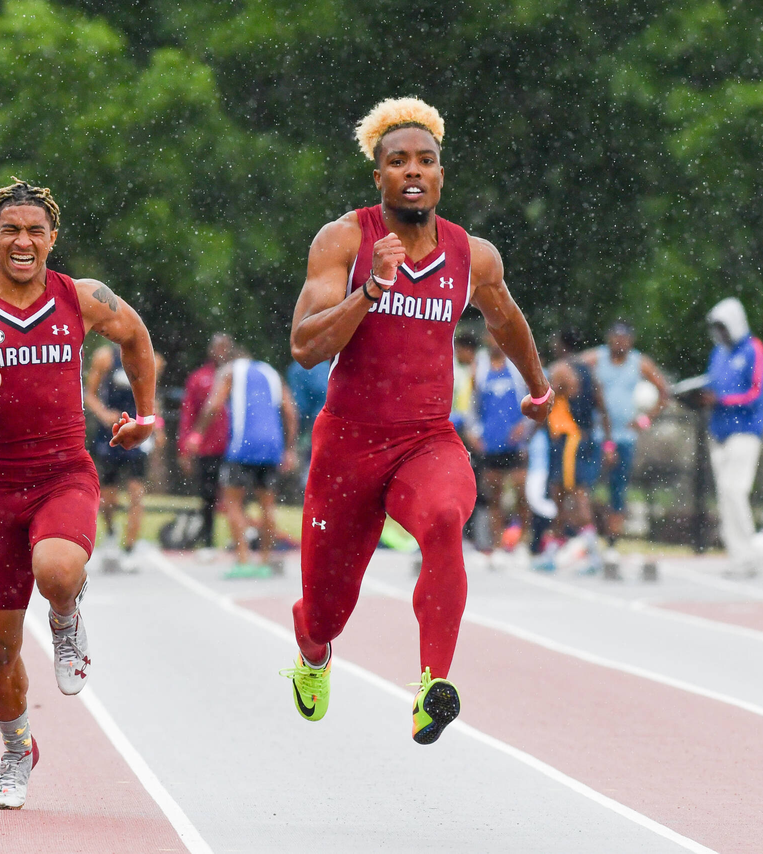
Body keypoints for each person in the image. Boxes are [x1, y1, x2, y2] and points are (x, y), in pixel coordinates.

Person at [286, 98, 552, 744]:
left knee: (442, 520)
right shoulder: (344, 240)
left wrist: (539, 387)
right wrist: (370, 290)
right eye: (397, 161)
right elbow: (305, 345)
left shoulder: (472, 255)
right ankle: (314, 655)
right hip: (347, 447)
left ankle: (434, 685)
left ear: (440, 175)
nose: (413, 171)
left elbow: (506, 318)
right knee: (326, 608)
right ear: (377, 176)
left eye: (425, 161)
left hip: (425, 440)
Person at [0, 178, 156, 810]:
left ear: (52, 238)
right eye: (10, 230)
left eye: (35, 230)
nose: (23, 241)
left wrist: (145, 413)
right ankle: (16, 749)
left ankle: (65, 616)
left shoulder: (81, 297)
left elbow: (135, 337)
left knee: (57, 570)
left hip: (64, 474)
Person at [189, 352, 299, 578]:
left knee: (233, 503)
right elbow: (290, 412)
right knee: (267, 504)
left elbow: (214, 405)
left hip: (243, 445)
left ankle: (243, 560)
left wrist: (198, 433)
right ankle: (265, 561)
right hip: (272, 445)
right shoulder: (271, 373)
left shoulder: (231, 372)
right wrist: (289, 448)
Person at [579, 321, 671, 543]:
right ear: (609, 337)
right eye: (615, 336)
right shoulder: (596, 358)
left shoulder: (639, 362)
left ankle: (612, 541)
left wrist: (646, 419)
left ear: (631, 340)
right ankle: (586, 535)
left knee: (618, 489)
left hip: (625, 437)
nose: (619, 342)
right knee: (585, 486)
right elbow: (569, 368)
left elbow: (663, 391)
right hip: (598, 434)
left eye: (624, 338)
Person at [700, 297, 763, 577]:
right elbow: (710, 385)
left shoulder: (755, 350)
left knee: (735, 490)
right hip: (718, 432)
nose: (720, 333)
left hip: (745, 430)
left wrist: (722, 401)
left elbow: (757, 393)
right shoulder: (718, 353)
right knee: (725, 496)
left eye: (723, 327)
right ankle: (737, 554)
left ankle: (749, 555)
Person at [542, 329, 614, 572]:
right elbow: (602, 408)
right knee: (559, 493)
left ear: (561, 344)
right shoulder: (589, 370)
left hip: (568, 439)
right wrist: (608, 442)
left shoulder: (560, 370)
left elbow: (542, 403)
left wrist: (526, 433)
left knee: (576, 494)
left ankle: (593, 554)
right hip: (584, 436)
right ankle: (553, 549)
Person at [84, 343, 154, 571]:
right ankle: (112, 534)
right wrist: (104, 414)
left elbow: (153, 397)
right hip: (110, 433)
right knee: (108, 496)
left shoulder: (148, 357)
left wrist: (156, 426)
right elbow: (89, 394)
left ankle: (130, 548)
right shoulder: (105, 358)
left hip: (137, 431)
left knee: (136, 493)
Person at [470, 334, 532, 564]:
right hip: (491, 443)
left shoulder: (518, 365)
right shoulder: (480, 368)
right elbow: (473, 406)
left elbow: (534, 399)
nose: (495, 340)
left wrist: (524, 428)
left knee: (520, 494)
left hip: (515, 443)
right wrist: (474, 433)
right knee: (493, 497)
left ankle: (523, 544)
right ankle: (496, 547)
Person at [177, 334, 234, 550]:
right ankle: (209, 540)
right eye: (218, 347)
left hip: (235, 447)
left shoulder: (238, 375)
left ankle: (237, 540)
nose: (222, 351)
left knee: (236, 495)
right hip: (209, 448)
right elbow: (188, 414)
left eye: (225, 347)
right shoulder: (199, 378)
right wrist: (185, 447)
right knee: (208, 494)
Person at [284, 355, 329, 485]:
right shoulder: (327, 366)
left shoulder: (298, 370)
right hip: (341, 423)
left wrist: (294, 435)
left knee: (311, 467)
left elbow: (299, 407)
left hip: (318, 422)